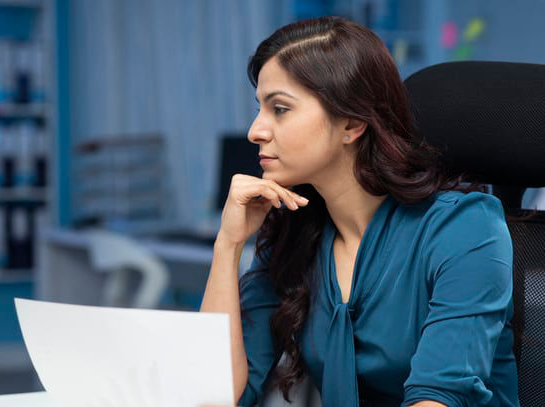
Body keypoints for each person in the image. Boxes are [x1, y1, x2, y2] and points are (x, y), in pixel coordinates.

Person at [199, 16, 518, 407]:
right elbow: (215, 396)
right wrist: (227, 245)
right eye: (259, 108)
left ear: (351, 123)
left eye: (280, 109)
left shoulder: (465, 227)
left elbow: (439, 397)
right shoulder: (294, 235)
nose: (255, 130)